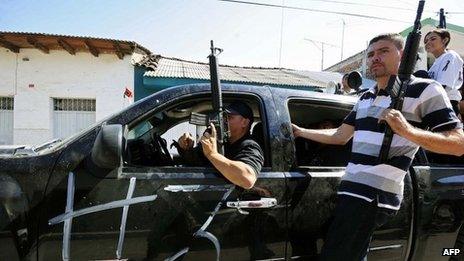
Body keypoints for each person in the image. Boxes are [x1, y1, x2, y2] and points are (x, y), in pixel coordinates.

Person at [292, 33, 464, 260]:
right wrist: (300, 131)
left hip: (373, 195)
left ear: (403, 56)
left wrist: (407, 131)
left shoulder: (426, 89)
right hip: (350, 190)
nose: (375, 58)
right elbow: (340, 135)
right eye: (371, 54)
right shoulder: (365, 97)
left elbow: (458, 144)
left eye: (383, 51)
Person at [177, 101, 264, 189]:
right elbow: (198, 161)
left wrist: (213, 154)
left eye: (229, 117)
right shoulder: (222, 142)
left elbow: (247, 179)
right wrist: (187, 148)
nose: (223, 121)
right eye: (223, 117)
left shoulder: (250, 146)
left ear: (244, 122)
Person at [424, 28, 464, 120]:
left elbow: (443, 86)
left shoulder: (450, 56)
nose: (428, 42)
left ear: (445, 40)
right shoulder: (435, 64)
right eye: (426, 41)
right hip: (436, 104)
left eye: (433, 39)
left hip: (446, 103)